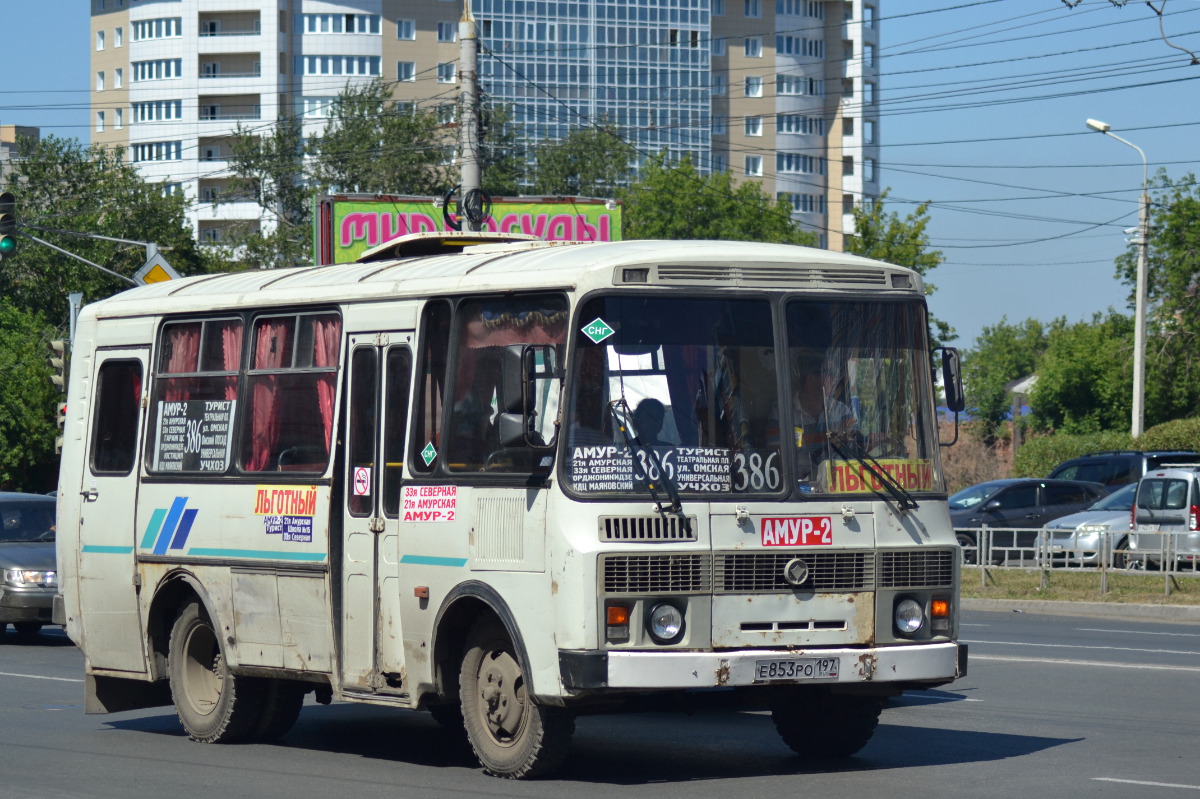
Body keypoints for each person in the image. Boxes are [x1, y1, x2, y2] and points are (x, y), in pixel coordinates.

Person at [792, 355, 856, 481]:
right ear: (810, 378)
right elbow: (778, 456)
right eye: (829, 374)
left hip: (838, 482)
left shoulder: (842, 411)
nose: (833, 380)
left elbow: (854, 444)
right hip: (797, 485)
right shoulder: (783, 414)